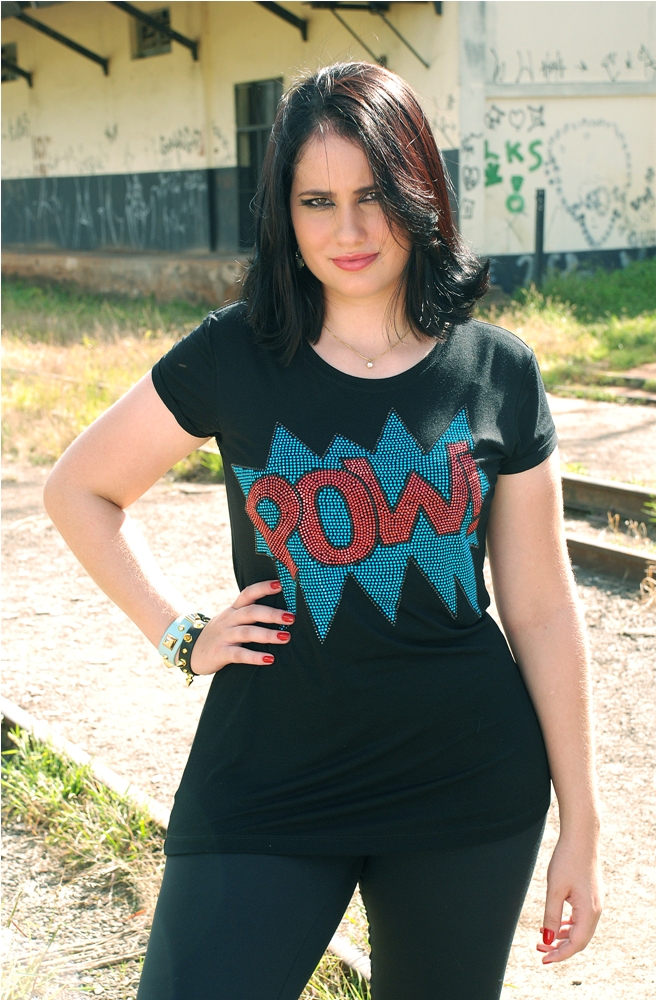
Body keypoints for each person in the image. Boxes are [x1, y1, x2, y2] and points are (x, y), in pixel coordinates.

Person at [44, 62, 602, 1000]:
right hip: (265, 774)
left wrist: (581, 822)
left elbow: (542, 608)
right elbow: (80, 491)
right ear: (284, 213)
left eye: (374, 195)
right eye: (317, 201)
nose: (348, 230)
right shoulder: (234, 352)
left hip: (463, 781)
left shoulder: (497, 369)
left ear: (420, 195)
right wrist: (178, 632)